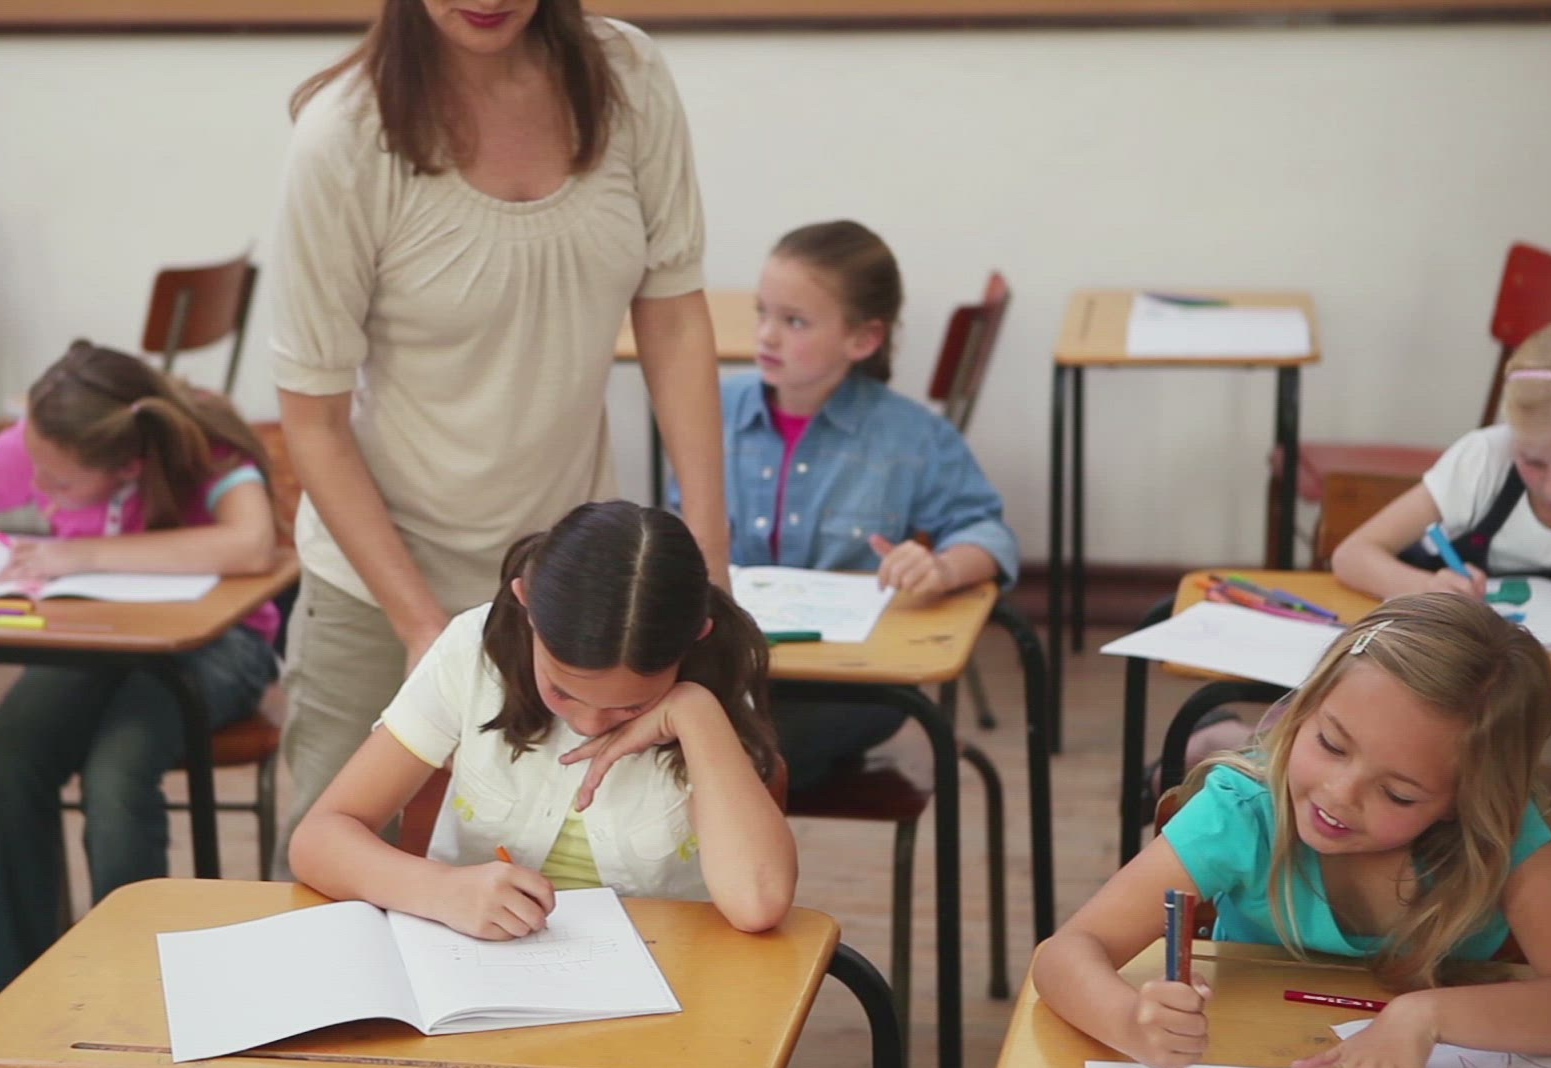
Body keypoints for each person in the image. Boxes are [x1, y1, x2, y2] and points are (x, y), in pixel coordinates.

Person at [267, 0, 731, 871]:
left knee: (597, 868)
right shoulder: (343, 137)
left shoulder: (627, 77)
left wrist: (709, 550)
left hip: (575, 591)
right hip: (378, 584)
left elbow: (672, 315)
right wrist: (422, 629)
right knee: (342, 877)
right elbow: (313, 420)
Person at [1035, 593, 1551, 1068]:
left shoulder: (1498, 836)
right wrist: (1129, 1022)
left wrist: (1424, 1016)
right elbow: (1065, 953)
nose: (1339, 793)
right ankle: (1217, 736)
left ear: (1463, 803)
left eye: (1398, 794)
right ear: (1303, 708)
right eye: (1331, 744)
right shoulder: (1244, 813)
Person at [0, 339, 282, 999]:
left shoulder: (199, 443)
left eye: (59, 486)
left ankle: (132, 990)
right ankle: (8, 993)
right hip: (96, 637)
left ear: (128, 465)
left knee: (118, 769)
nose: (39, 489)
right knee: (8, 755)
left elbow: (252, 544)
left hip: (219, 645)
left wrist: (82, 555)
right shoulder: (46, 440)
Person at [289, 501, 795, 938]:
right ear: (527, 607)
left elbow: (758, 903)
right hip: (475, 963)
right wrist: (440, 889)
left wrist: (693, 711)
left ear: (695, 639)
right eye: (563, 691)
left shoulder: (712, 683)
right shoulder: (472, 652)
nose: (591, 725)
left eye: (631, 705)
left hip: (673, 972)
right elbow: (319, 839)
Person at [694, 220, 1017, 791]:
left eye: (794, 322)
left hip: (851, 683)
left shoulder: (910, 436)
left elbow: (988, 534)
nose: (766, 335)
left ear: (863, 340)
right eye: (763, 312)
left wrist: (940, 568)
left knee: (740, 751)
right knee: (695, 728)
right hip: (733, 667)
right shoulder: (713, 410)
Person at [1331, 316, 1551, 799]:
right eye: (1533, 461)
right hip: (1462, 658)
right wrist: (1426, 587)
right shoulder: (1484, 460)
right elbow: (1352, 555)